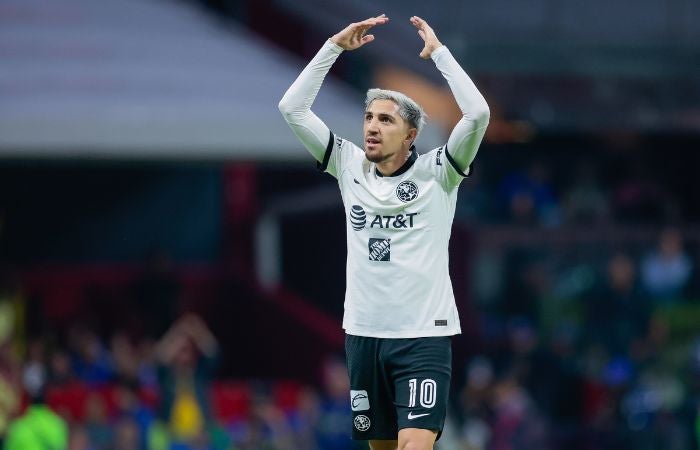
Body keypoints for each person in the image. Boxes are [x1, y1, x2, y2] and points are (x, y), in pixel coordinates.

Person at [278, 14, 489, 450]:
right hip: (364, 336)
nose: (372, 126)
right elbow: (292, 108)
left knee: (416, 444)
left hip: (422, 337)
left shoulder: (440, 173)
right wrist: (332, 47)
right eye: (369, 117)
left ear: (411, 135)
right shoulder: (348, 165)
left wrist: (441, 56)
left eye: (386, 120)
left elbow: (479, 113)